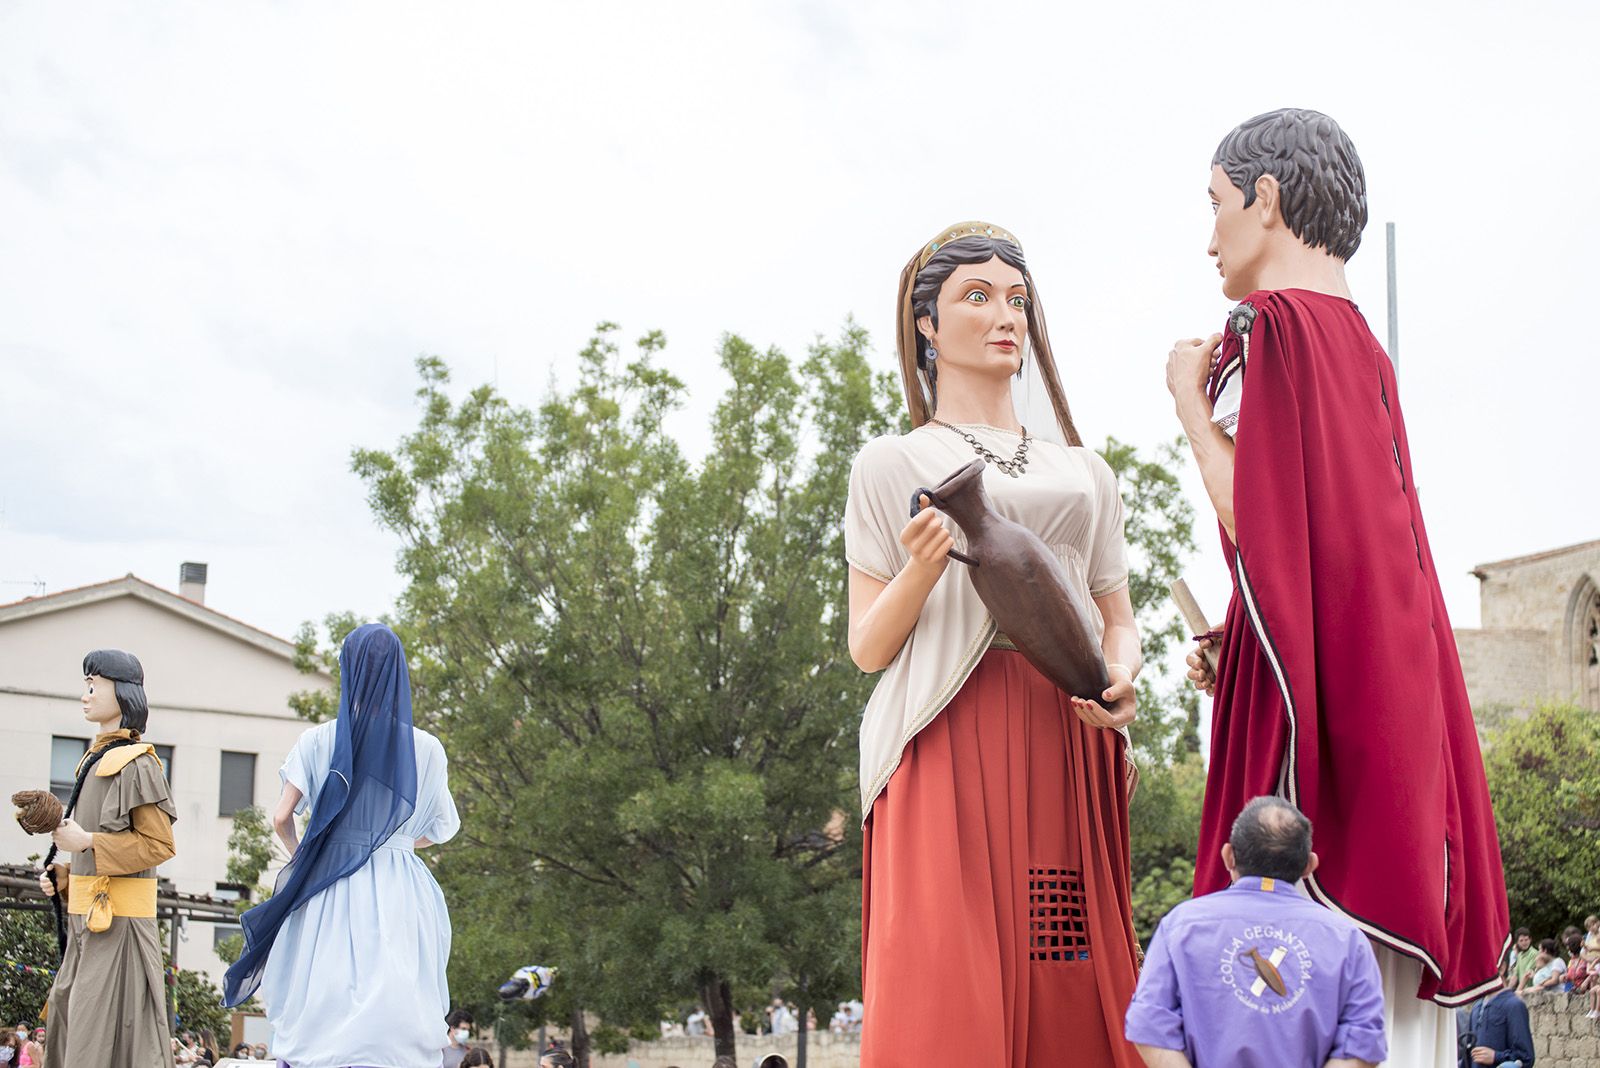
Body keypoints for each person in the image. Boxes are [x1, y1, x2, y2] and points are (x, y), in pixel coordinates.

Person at [1170, 108, 1511, 1066]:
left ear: (1267, 199)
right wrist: (1248, 641)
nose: (1209, 238)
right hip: (1397, 694)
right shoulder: (1360, 343)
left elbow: (1267, 525)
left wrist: (1191, 411)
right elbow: (1341, 557)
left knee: (1281, 980)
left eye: (1217, 205)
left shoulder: (1267, 330)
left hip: (1325, 721)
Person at [849, 221, 1143, 1066]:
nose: (1003, 314)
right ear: (928, 328)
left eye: (1016, 299)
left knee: (1069, 974)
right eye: (975, 297)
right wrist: (919, 570)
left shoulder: (1086, 472)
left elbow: (1115, 613)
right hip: (944, 733)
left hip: (1065, 724)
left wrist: (1121, 674)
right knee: (947, 976)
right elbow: (868, 648)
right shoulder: (891, 463)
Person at [222, 623, 461, 1067]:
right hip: (401, 886)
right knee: (398, 996)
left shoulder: (318, 740)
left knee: (324, 998)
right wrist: (398, 843)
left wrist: (306, 855)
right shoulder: (427, 748)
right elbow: (441, 829)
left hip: (331, 881)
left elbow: (280, 817)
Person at [1125, 796, 1386, 1067]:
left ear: (1228, 855)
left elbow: (1149, 1026)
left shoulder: (1180, 926)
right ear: (1309, 865)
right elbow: (1363, 1043)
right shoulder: (1347, 939)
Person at [37, 650, 177, 1068]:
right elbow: (94, 849)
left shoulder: (137, 764)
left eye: (94, 684)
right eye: (86, 684)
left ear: (123, 691)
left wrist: (87, 843)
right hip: (89, 931)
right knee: (74, 1037)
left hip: (119, 934)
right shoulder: (93, 760)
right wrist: (64, 876)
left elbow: (159, 845)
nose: (86, 694)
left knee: (102, 1048)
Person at [1460, 972, 1534, 1068]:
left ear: (1502, 967)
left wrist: (1496, 1056)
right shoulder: (1476, 1007)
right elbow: (1467, 1058)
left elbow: (1526, 1058)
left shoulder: (1514, 1005)